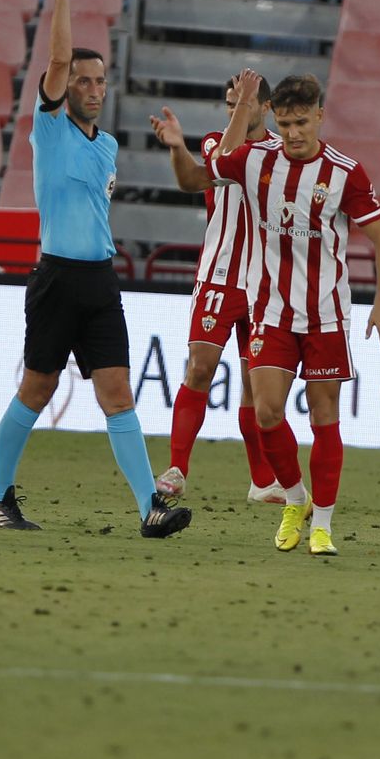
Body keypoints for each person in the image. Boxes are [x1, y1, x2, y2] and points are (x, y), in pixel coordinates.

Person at [0, 0, 192, 539]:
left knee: (118, 393)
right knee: (36, 389)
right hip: (55, 278)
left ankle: (150, 506)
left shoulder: (107, 147)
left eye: (100, 80)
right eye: (83, 79)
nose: (94, 87)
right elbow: (55, 55)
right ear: (65, 85)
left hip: (99, 279)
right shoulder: (47, 128)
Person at [210, 70, 380, 556]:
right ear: (273, 117)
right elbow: (215, 165)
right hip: (270, 311)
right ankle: (296, 499)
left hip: (325, 316)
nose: (294, 133)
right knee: (267, 412)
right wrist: (242, 107)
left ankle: (323, 526)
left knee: (324, 418)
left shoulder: (344, 172)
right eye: (286, 123)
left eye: (303, 123)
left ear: (319, 116)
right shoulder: (256, 160)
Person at [148, 76, 285, 504]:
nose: (233, 111)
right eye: (229, 103)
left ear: (266, 107)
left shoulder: (283, 156)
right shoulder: (215, 143)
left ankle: (262, 481)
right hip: (220, 277)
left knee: (255, 385)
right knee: (200, 369)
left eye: (242, 103)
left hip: (263, 285)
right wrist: (176, 148)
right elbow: (201, 175)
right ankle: (177, 468)